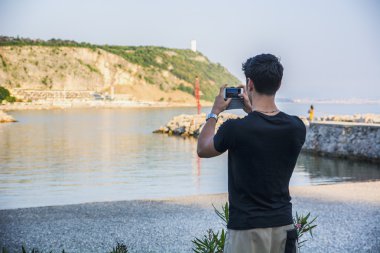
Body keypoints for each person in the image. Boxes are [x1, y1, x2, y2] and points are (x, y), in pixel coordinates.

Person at [197, 54, 306, 253]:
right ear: (279, 84)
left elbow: (203, 149)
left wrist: (214, 112)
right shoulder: (297, 127)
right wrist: (252, 112)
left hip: (246, 230)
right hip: (284, 226)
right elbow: (267, 130)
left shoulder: (234, 129)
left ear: (250, 84)